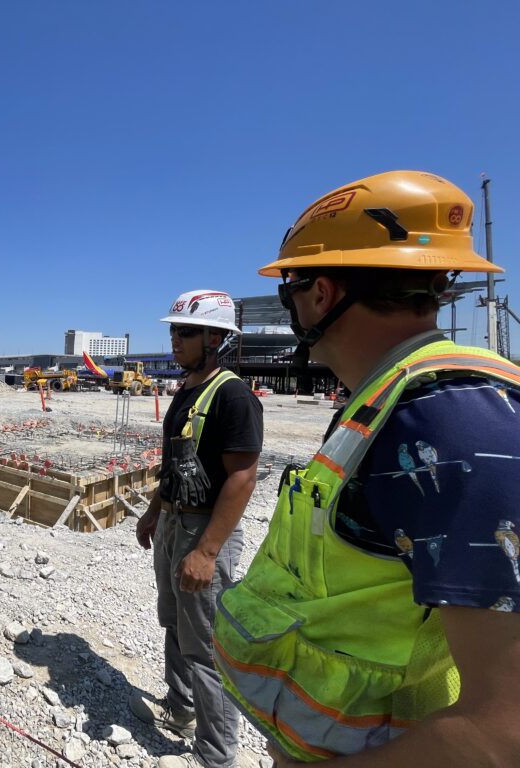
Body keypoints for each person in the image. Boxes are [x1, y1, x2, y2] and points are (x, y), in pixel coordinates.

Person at [213, 171, 520, 766]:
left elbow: (502, 731)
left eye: (290, 292)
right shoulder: (387, 402)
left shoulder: (448, 425)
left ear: (321, 295)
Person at [129, 290, 262, 768]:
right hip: (173, 522)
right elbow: (175, 464)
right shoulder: (188, 388)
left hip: (205, 531)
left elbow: (242, 477)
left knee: (205, 647)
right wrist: (153, 512)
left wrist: (206, 552)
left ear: (215, 337)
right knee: (174, 625)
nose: (174, 339)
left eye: (184, 331)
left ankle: (216, 754)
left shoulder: (232, 395)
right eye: (173, 330)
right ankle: (181, 709)